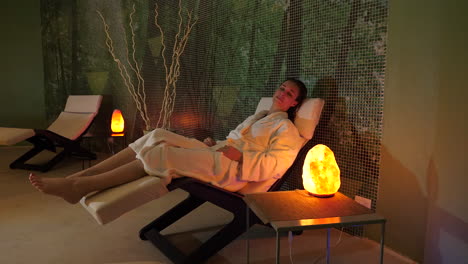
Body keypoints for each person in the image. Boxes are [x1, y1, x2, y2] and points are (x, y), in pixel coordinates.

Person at [29, 78, 308, 204]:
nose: (283, 92)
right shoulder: (258, 115)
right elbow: (237, 140)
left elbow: (275, 164)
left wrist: (243, 159)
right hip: (218, 152)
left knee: (162, 154)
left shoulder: (287, 130)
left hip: (232, 171)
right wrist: (216, 142)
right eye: (282, 87)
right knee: (156, 134)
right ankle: (84, 175)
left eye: (290, 92)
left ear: (295, 103)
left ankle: (80, 186)